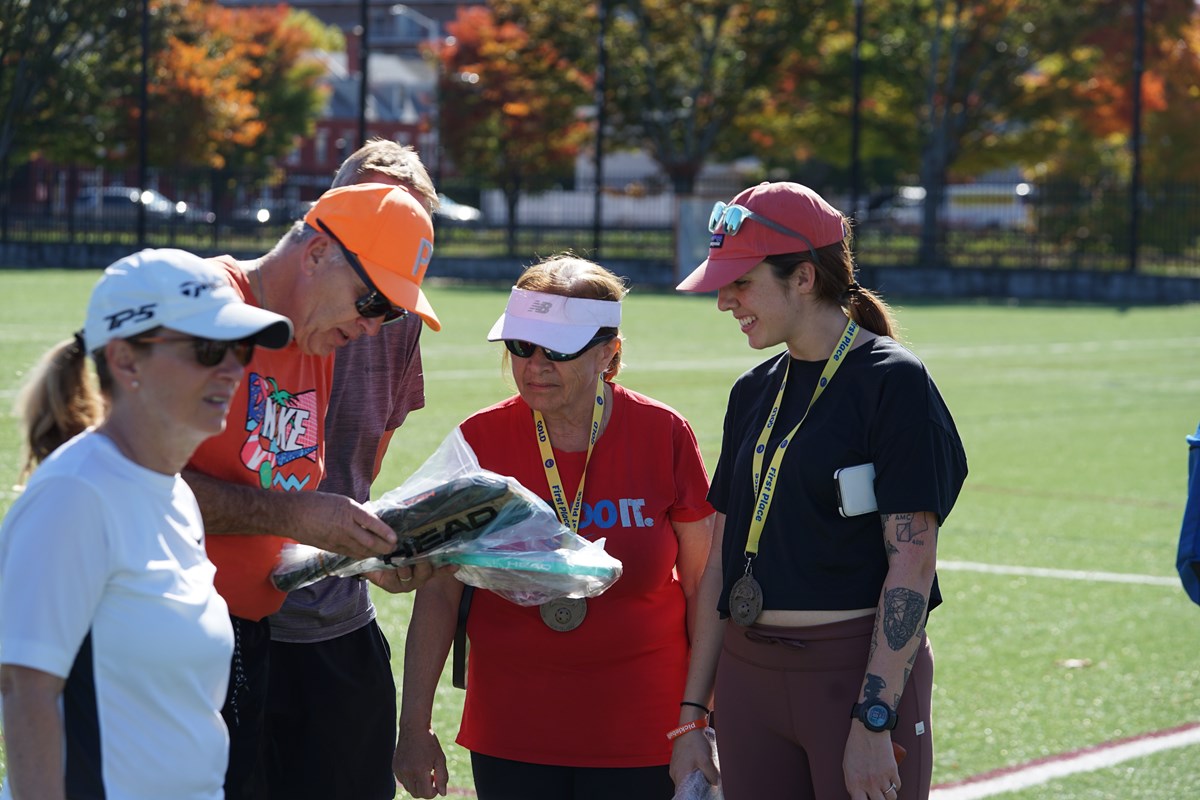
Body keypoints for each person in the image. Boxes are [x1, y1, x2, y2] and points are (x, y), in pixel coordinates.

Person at [672, 181, 968, 800]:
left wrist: (873, 718)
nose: (725, 301)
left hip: (852, 679)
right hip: (749, 678)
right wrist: (693, 715)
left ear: (804, 277)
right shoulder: (752, 390)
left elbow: (911, 563)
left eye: (741, 282)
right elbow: (723, 560)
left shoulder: (895, 383)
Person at [394, 254, 716, 800]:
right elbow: (439, 596)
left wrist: (696, 722)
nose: (534, 364)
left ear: (608, 354)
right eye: (520, 346)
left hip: (645, 732)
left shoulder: (664, 433)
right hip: (511, 734)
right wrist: (414, 727)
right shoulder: (479, 443)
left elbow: (707, 587)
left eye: (557, 351)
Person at [182, 181, 444, 800]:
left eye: (392, 313)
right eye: (372, 300)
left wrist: (358, 554)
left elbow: (273, 500)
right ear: (318, 251)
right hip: (169, 640)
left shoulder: (312, 338)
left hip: (248, 637)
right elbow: (134, 483)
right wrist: (296, 513)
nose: (375, 327)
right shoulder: (207, 306)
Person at [0, 248, 293, 799]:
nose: (234, 369)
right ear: (126, 361)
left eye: (239, 348)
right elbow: (24, 691)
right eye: (208, 349)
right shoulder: (75, 495)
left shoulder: (175, 493)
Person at [263, 140, 441, 800]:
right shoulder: (243, 315)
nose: (377, 312)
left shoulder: (394, 323)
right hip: (239, 623)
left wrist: (380, 549)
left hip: (338, 621)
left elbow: (366, 468)